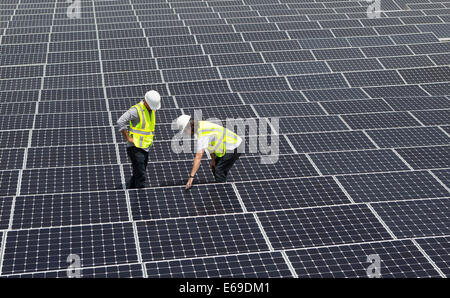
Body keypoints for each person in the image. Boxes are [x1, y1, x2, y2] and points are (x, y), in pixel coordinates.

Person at [175, 115, 243, 190]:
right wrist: (213, 161)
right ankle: (220, 184)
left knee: (219, 171)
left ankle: (221, 192)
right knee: (215, 167)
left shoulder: (202, 133)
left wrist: (191, 177)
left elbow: (198, 157)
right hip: (225, 147)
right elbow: (210, 145)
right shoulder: (199, 127)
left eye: (184, 131)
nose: (185, 133)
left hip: (234, 146)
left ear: (189, 126)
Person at [117, 90, 161, 189]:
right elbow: (120, 121)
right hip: (135, 147)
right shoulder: (136, 110)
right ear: (145, 101)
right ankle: (140, 196)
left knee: (138, 172)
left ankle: (131, 189)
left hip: (145, 147)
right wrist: (128, 137)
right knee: (141, 175)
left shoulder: (151, 109)